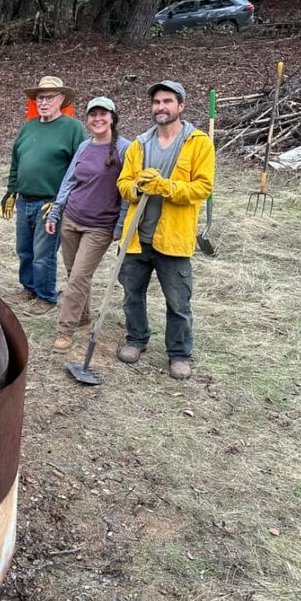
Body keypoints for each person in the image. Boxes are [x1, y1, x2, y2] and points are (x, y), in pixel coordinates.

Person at [116, 80, 215, 380]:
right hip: (136, 236)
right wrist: (136, 187)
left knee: (178, 301)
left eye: (167, 101)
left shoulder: (198, 143)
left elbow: (203, 187)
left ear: (181, 106)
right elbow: (123, 184)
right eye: (157, 102)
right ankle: (136, 339)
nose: (161, 107)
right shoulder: (139, 144)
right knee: (132, 294)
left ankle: (179, 353)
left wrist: (166, 187)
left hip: (173, 239)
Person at [44, 96, 132, 352]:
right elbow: (69, 182)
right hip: (71, 219)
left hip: (100, 226)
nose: (97, 119)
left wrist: (120, 226)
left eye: (103, 114)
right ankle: (82, 317)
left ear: (113, 118)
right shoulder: (84, 147)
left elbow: (127, 191)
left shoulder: (125, 149)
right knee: (75, 275)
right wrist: (55, 213)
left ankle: (65, 329)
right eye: (93, 114)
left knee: (79, 277)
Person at [0, 76, 86, 315]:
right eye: (40, 97)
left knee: (43, 253)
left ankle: (46, 296)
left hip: (50, 204)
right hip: (24, 200)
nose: (44, 102)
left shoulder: (72, 128)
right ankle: (28, 287)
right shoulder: (29, 126)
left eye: (49, 97)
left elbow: (80, 168)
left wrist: (63, 201)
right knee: (24, 249)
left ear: (61, 99)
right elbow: (17, 160)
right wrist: (11, 190)